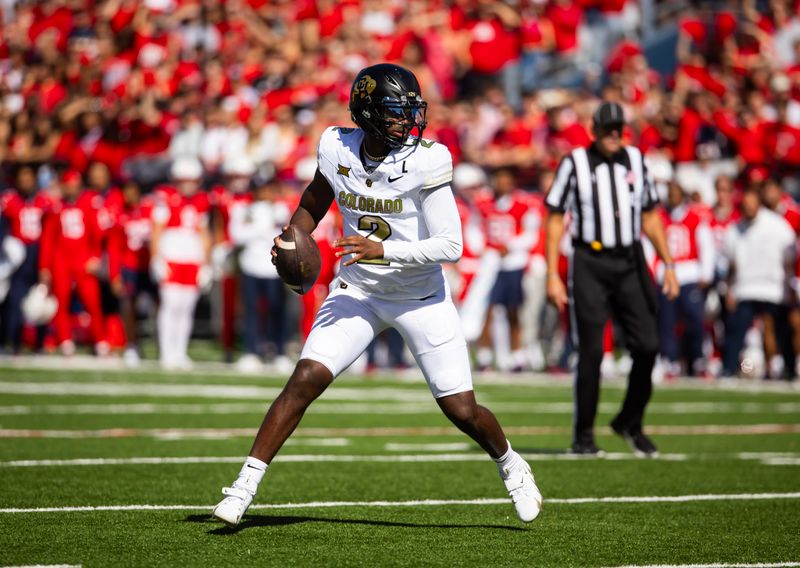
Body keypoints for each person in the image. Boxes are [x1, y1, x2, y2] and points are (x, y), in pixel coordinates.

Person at [212, 63, 542, 526]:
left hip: (419, 297)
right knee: (305, 379)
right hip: (359, 290)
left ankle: (512, 465)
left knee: (461, 409)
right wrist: (292, 234)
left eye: (408, 112)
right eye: (393, 113)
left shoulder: (427, 159)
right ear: (365, 112)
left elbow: (451, 245)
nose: (404, 122)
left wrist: (382, 249)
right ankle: (244, 487)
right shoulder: (336, 146)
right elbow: (314, 199)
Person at [545, 101, 680, 457]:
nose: (614, 135)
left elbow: (650, 216)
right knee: (590, 351)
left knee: (648, 345)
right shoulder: (574, 162)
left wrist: (668, 263)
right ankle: (584, 436)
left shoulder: (636, 160)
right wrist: (551, 276)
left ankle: (629, 422)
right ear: (594, 131)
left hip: (630, 259)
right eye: (608, 129)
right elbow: (555, 217)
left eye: (619, 129)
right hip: (589, 259)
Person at [721, 184, 796, 379]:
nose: (748, 207)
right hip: (746, 288)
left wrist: (788, 285)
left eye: (752, 203)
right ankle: (729, 368)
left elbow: (789, 258)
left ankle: (788, 368)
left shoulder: (777, 225)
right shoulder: (734, 230)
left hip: (773, 288)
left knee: (782, 332)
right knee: (736, 330)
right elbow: (730, 264)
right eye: (745, 204)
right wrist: (729, 289)